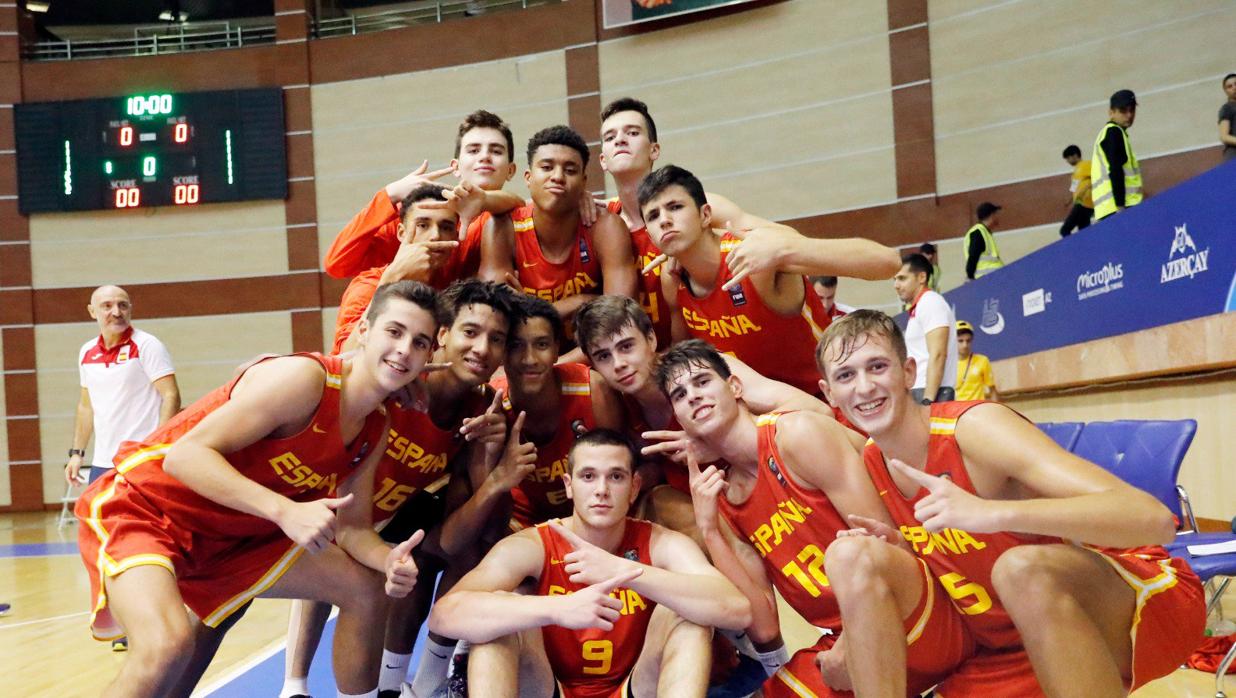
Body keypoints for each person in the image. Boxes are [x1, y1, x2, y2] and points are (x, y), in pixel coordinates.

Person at [75, 281, 444, 698]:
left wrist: (389, 559)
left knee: (364, 587)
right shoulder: (305, 379)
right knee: (166, 645)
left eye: (419, 342)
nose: (403, 350)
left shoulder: (375, 427)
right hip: (146, 509)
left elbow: (354, 529)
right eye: (394, 332)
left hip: (235, 535)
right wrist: (284, 510)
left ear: (429, 356)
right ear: (364, 329)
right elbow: (185, 457)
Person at [816, 310, 1206, 696]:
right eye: (846, 375)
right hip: (1011, 640)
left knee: (1019, 569)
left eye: (877, 367)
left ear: (908, 372)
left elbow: (1152, 519)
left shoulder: (974, 429)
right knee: (849, 553)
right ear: (829, 393)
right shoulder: (871, 460)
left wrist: (992, 513)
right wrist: (906, 550)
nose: (864, 387)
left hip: (1143, 599)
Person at [655, 339, 974, 696]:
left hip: (917, 614)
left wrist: (855, 644)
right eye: (680, 395)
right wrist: (710, 530)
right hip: (841, 639)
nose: (693, 396)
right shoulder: (725, 499)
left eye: (702, 382)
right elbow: (761, 624)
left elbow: (889, 543)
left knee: (854, 553)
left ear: (735, 387)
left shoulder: (796, 433)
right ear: (678, 416)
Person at [281, 280, 518, 698]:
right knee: (330, 550)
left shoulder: (483, 412)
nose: (481, 348)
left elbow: (480, 520)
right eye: (470, 332)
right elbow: (348, 368)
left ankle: (421, 679)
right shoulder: (396, 381)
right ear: (443, 336)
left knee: (465, 541)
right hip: (323, 510)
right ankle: (294, 683)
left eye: (495, 339)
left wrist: (490, 454)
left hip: (386, 520)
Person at [429, 429, 752, 698]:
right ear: (569, 486)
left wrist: (627, 572)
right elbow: (444, 617)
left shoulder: (661, 542)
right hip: (549, 688)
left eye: (615, 477)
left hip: (634, 687)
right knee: (498, 617)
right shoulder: (534, 544)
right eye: (588, 476)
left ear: (634, 487)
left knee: (688, 614)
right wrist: (557, 608)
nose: (601, 490)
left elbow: (737, 610)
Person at [574, 296, 845, 533]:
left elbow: (816, 410)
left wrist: (719, 442)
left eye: (626, 347)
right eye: (603, 356)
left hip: (789, 495)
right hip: (723, 513)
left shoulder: (700, 372)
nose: (619, 364)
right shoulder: (620, 406)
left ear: (651, 338)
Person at [638, 165, 898, 397]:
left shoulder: (757, 253)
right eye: (653, 215)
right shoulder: (671, 281)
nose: (664, 220)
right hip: (760, 420)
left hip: (828, 403)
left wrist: (785, 250)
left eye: (675, 207)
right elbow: (687, 359)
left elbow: (887, 262)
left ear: (706, 215)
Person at [480, 124, 637, 357]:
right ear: (528, 177)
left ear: (584, 182)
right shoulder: (503, 228)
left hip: (593, 360)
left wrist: (557, 368)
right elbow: (497, 322)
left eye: (570, 170)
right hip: (522, 360)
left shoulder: (606, 227)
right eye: (546, 167)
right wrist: (582, 300)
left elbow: (618, 322)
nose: (557, 177)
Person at [323, 110, 525, 282]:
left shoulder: (518, 214)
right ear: (455, 167)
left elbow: (516, 203)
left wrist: (488, 200)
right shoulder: (422, 213)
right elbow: (337, 264)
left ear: (511, 170)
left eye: (496, 151)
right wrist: (389, 194)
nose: (484, 156)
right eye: (473, 150)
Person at [332, 183, 472, 353]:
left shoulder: (454, 280)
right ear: (401, 233)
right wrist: (390, 280)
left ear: (456, 236)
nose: (435, 235)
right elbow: (346, 356)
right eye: (423, 225)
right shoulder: (369, 284)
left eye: (446, 227)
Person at [66, 285, 181, 489]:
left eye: (122, 305)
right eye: (107, 306)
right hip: (103, 462)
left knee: (141, 521)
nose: (116, 312)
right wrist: (77, 454)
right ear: (92, 312)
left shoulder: (147, 345)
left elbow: (171, 396)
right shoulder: (86, 351)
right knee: (99, 519)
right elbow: (86, 406)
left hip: (140, 458)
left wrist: (157, 447)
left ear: (130, 309)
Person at [895, 254, 957, 404]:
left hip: (930, 392)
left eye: (902, 278)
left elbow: (938, 354)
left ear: (922, 277)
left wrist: (928, 399)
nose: (896, 285)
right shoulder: (921, 306)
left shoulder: (931, 302)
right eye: (894, 279)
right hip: (920, 390)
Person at [1091, 89, 1142, 220]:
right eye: (1123, 111)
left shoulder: (1108, 134)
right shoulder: (1114, 132)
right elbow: (1115, 169)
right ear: (1111, 113)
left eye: (1132, 110)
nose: (1129, 115)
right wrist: (1120, 205)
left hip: (1107, 209)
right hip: (1119, 208)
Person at [954, 320, 998, 402]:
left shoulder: (982, 360)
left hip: (977, 410)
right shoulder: (947, 365)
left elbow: (992, 391)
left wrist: (998, 412)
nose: (965, 345)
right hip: (956, 412)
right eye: (960, 341)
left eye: (968, 341)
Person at [963, 202, 1004, 281]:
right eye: (996, 214)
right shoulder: (978, 232)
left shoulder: (984, 232)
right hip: (988, 279)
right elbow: (973, 256)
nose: (997, 217)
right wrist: (970, 276)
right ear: (991, 215)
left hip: (991, 277)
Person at [1059, 145, 1093, 236]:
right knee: (1084, 232)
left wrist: (1084, 190)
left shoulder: (1087, 164)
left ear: (1075, 155)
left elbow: (1096, 177)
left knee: (1064, 230)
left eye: (1068, 158)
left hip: (1084, 203)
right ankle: (1086, 248)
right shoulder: (1075, 173)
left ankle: (1073, 248)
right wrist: (1069, 200)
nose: (1067, 161)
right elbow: (1074, 188)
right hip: (1080, 203)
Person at [1219, 73, 1236, 161]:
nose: (1234, 87)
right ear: (1226, 91)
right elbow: (1224, 136)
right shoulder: (1227, 108)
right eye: (1230, 86)